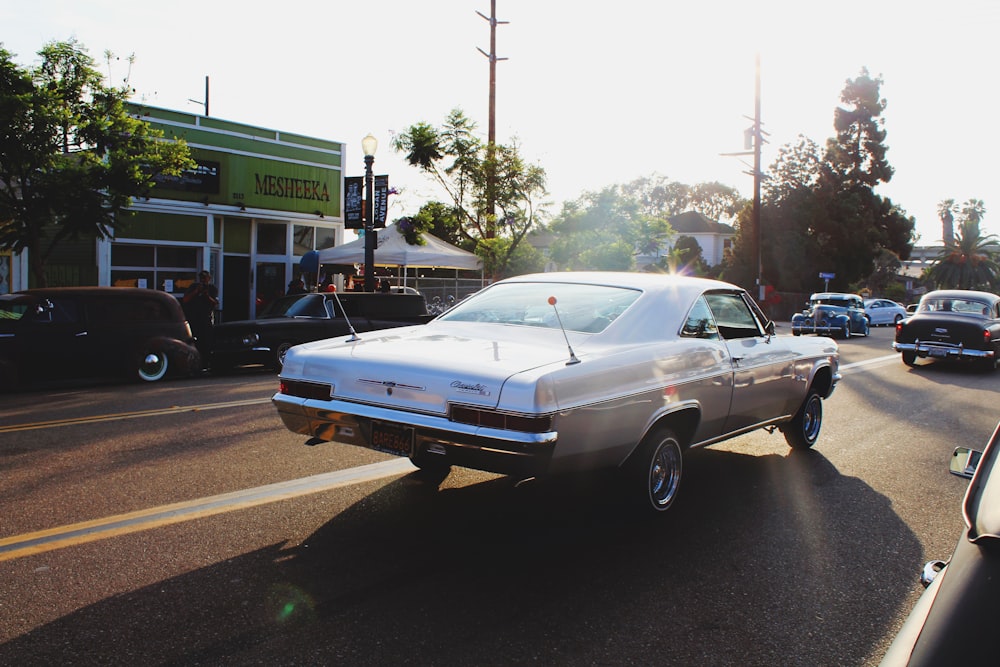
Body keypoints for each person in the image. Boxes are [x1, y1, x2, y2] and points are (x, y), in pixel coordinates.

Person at [182, 270, 219, 362]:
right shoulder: (193, 287)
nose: (203, 280)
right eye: (201, 278)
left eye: (205, 278)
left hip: (206, 318)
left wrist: (207, 296)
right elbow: (185, 299)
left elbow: (215, 303)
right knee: (194, 340)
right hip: (194, 318)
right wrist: (196, 291)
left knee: (206, 340)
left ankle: (206, 359)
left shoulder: (212, 288)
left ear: (209, 278)